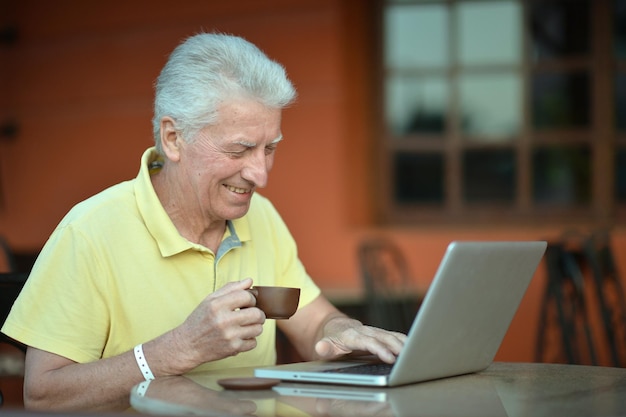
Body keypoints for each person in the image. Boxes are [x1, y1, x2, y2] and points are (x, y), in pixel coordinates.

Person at [1, 32, 406, 412]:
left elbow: (315, 323)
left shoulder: (261, 216)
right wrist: (176, 349)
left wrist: (344, 330)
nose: (260, 175)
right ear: (174, 139)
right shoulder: (89, 231)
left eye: (270, 149)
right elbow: (43, 393)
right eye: (241, 149)